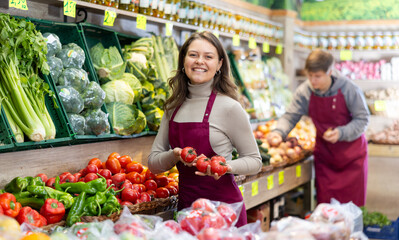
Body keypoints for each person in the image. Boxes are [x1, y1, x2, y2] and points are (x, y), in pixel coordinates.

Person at [148, 31, 262, 227]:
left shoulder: (230, 107)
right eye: (193, 55)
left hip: (224, 212)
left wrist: (227, 167)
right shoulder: (172, 108)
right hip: (187, 211)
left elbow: (255, 161)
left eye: (208, 57)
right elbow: (153, 164)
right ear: (183, 60)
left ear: (219, 64)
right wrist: (175, 155)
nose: (199, 61)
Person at [267, 49, 369, 207]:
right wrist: (278, 132)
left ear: (330, 72)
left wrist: (341, 133)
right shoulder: (305, 91)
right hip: (326, 159)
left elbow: (363, 119)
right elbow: (290, 115)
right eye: (310, 76)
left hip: (351, 158)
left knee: (352, 211)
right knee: (325, 209)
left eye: (318, 76)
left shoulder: (349, 89)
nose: (313, 81)